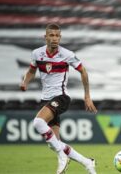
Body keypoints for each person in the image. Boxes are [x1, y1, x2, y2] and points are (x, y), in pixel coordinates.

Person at [20, 23, 97, 174]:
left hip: (61, 97)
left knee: (38, 122)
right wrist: (25, 82)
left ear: (60, 37)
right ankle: (87, 162)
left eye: (57, 36)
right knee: (55, 143)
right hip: (46, 99)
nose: (54, 39)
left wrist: (87, 96)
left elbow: (84, 72)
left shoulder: (67, 54)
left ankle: (62, 157)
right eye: (51, 35)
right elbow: (31, 71)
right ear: (45, 37)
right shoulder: (37, 53)